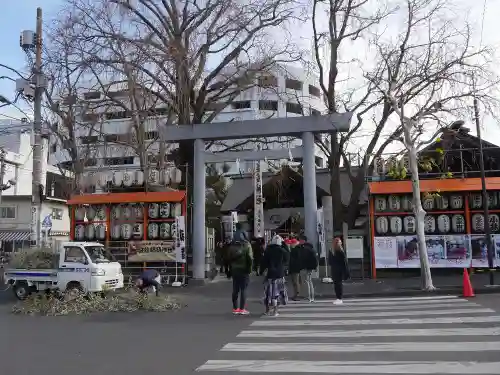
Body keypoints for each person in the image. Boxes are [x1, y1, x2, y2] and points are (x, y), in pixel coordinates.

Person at [260, 235, 289, 316]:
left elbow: (263, 262)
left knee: (268, 293)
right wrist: (284, 243)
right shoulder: (282, 250)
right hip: (279, 274)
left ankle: (267, 310)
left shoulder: (268, 250)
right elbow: (287, 258)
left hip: (270, 274)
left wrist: (261, 271)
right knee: (278, 293)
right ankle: (275, 311)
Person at [226, 231, 253, 315]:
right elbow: (250, 258)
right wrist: (250, 269)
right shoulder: (247, 245)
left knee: (235, 289)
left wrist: (229, 270)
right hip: (244, 270)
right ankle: (242, 309)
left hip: (235, 270)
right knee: (243, 289)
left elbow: (228, 259)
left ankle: (235, 308)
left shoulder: (231, 247)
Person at [328, 237, 350, 305]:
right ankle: (339, 298)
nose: (341, 243)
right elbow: (344, 262)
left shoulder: (333, 251)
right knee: (338, 284)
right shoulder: (340, 251)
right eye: (340, 242)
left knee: (337, 284)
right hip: (339, 269)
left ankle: (339, 298)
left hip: (335, 269)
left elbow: (330, 262)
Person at [297, 235, 318, 302]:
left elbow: (302, 258)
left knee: (306, 282)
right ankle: (312, 297)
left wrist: (301, 266)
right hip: (310, 267)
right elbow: (314, 258)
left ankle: (308, 296)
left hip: (305, 267)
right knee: (309, 281)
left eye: (300, 240)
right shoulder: (311, 248)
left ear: (303, 241)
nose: (299, 242)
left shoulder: (304, 249)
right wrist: (315, 266)